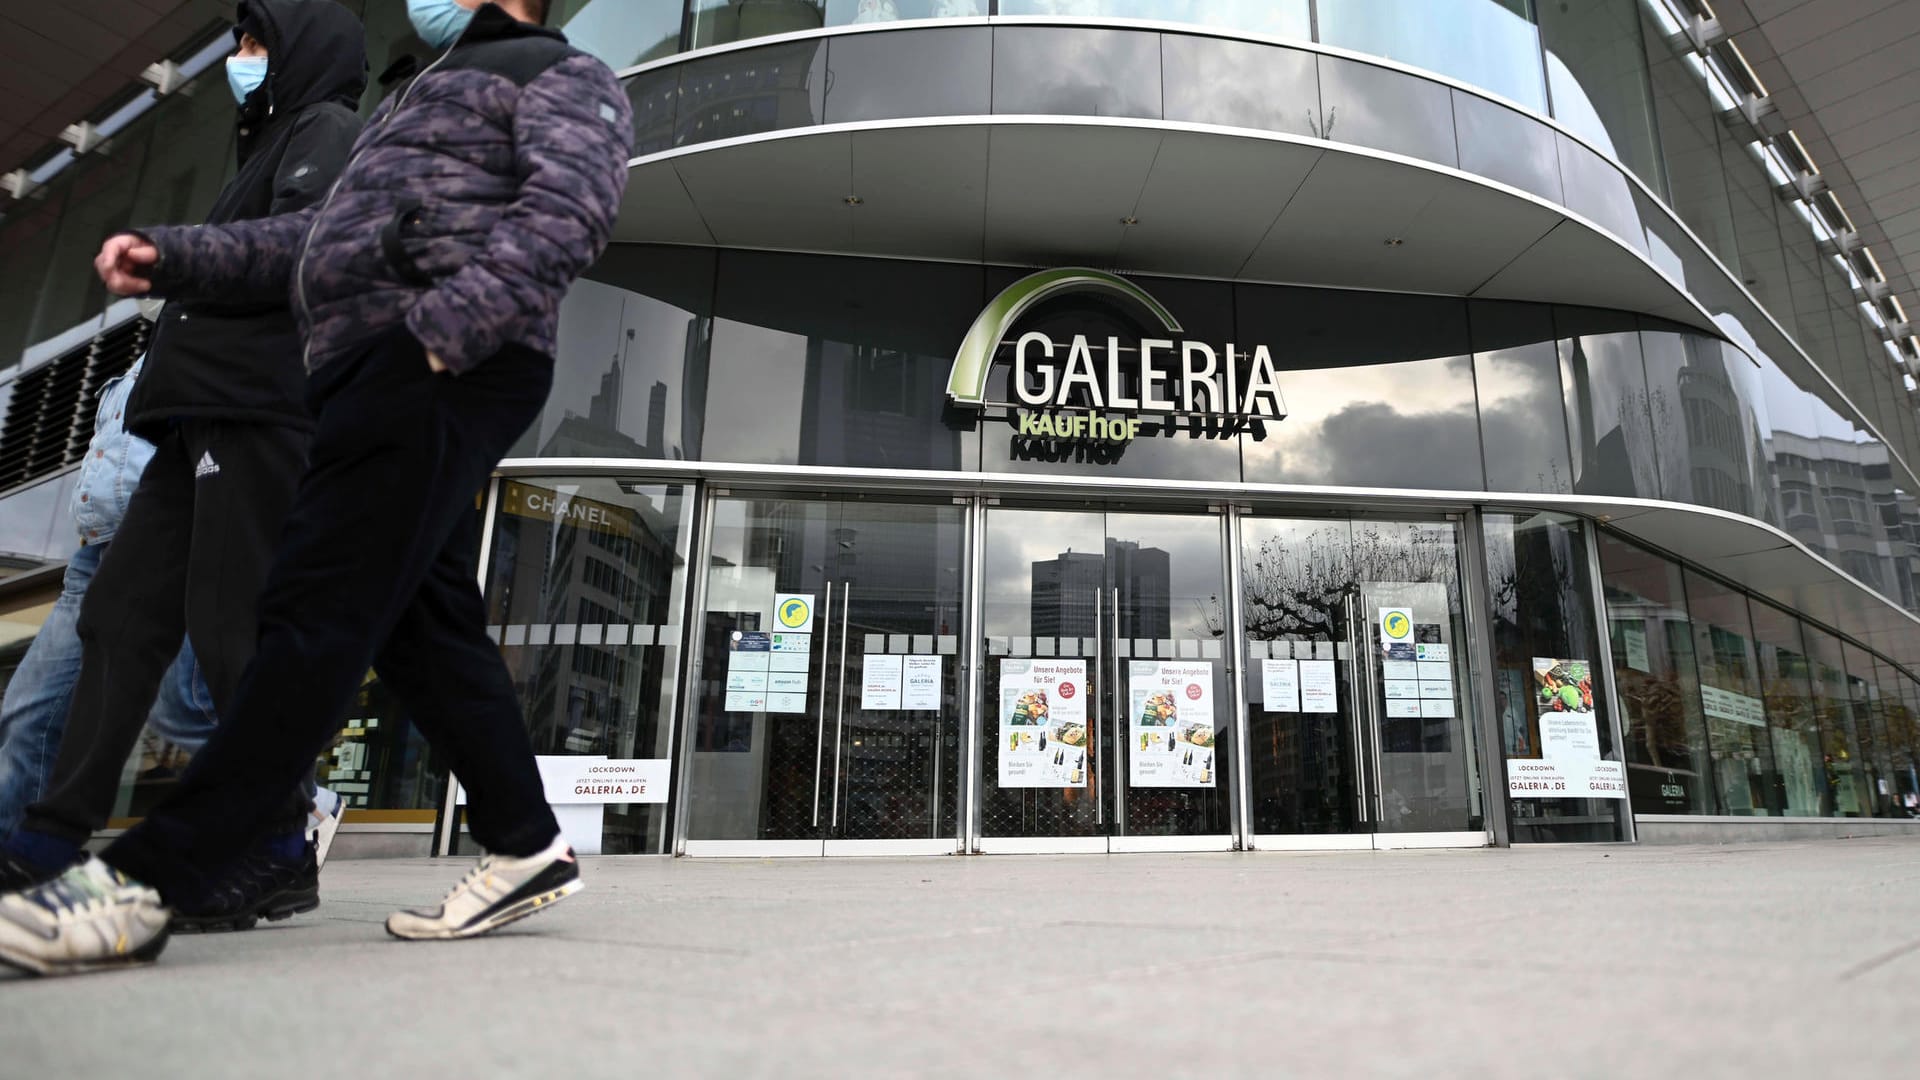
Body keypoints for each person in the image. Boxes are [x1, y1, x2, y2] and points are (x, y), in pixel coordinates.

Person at [0, 0, 633, 976]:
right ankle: (524, 842)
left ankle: (142, 886)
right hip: (362, 370)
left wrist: (434, 339)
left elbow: (569, 214)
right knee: (424, 627)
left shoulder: (557, 72)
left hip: (432, 362)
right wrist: (177, 255)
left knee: (311, 612)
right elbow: (316, 241)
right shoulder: (414, 94)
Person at [0, 1, 366, 932]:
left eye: (256, 44)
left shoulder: (326, 129)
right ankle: (46, 841)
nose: (241, 61)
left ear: (301, 50)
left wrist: (175, 256)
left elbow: (302, 252)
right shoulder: (267, 145)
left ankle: (280, 849)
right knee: (121, 619)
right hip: (193, 421)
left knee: (230, 637)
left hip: (255, 416)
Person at [0, 356, 218, 837]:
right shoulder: (146, 359)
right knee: (32, 710)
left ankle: (297, 810)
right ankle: (21, 850)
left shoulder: (214, 336)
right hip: (97, 551)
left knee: (184, 706)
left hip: (176, 540)